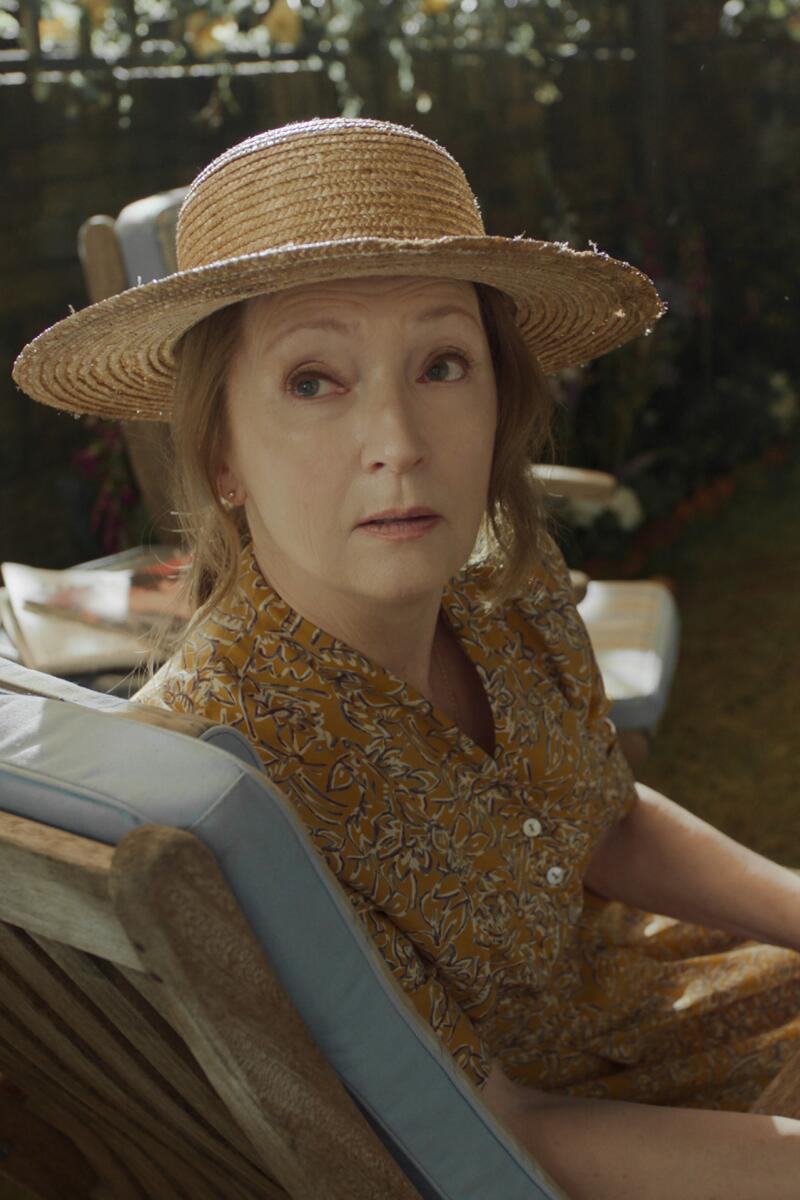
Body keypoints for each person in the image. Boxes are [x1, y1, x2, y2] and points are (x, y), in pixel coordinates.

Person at [13, 115, 800, 1199]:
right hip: (594, 1136)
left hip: (651, 993)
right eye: (312, 381)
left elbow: (605, 818)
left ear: (501, 405)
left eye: (440, 364)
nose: (398, 439)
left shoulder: (505, 592)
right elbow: (495, 1130)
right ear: (221, 456)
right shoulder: (235, 777)